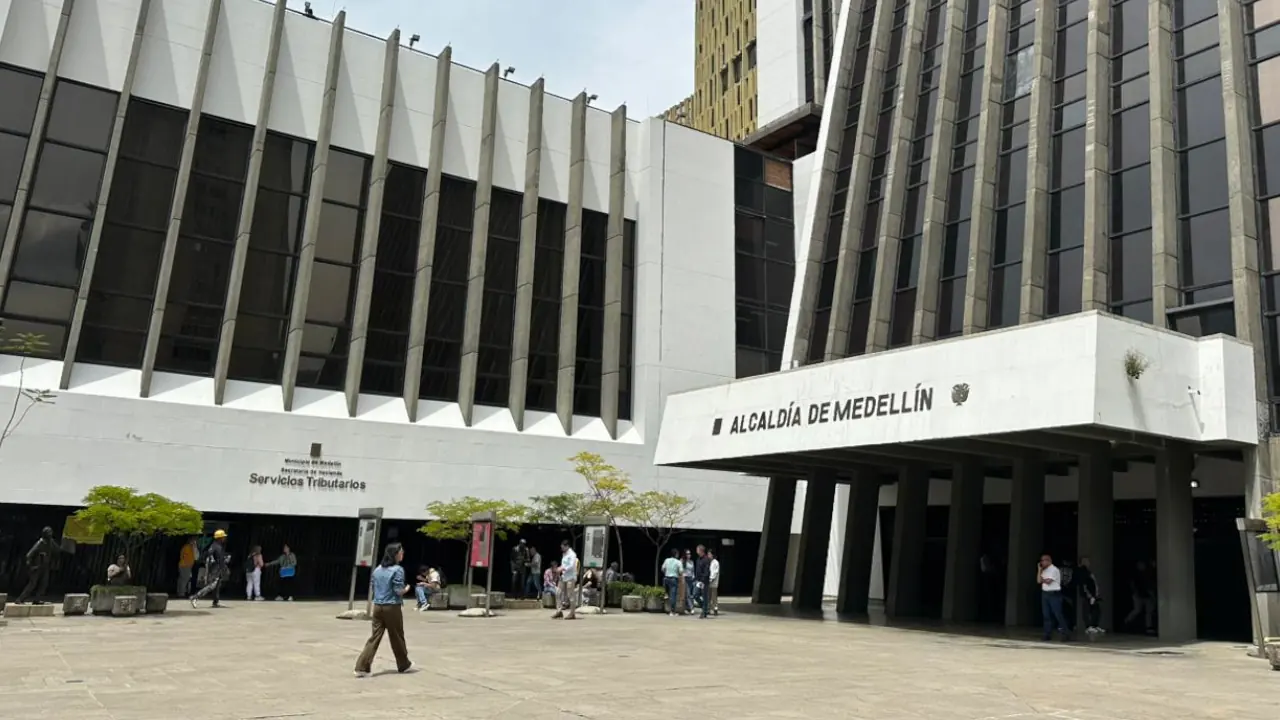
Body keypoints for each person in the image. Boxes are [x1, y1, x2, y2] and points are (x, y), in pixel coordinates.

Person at [354, 543, 416, 677]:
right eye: (401, 552)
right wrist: (407, 589)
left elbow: (373, 587)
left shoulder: (377, 570)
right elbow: (398, 590)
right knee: (397, 636)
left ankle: (362, 667)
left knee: (375, 637)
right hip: (392, 606)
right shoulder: (397, 569)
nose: (402, 554)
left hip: (378, 606)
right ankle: (403, 663)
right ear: (395, 554)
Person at [14, 527, 57, 604]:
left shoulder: (51, 542)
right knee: (32, 584)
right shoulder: (40, 543)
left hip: (45, 566)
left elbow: (57, 550)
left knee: (44, 584)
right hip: (37, 567)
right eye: (49, 533)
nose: (50, 534)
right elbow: (29, 555)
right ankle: (20, 599)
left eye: (51, 532)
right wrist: (30, 566)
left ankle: (37, 599)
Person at [191, 529, 230, 608]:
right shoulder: (216, 547)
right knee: (212, 585)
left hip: (216, 568)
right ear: (219, 538)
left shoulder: (216, 546)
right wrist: (224, 568)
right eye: (223, 537)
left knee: (217, 585)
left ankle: (216, 602)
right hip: (215, 569)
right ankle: (195, 597)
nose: (224, 538)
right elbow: (216, 559)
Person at [1038, 553, 1070, 641]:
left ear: (1048, 561)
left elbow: (1048, 581)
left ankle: (1065, 633)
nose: (1042, 562)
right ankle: (1047, 634)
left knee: (1057, 614)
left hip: (1054, 594)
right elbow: (1038, 580)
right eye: (1041, 561)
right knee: (1046, 615)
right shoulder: (1044, 570)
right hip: (1045, 593)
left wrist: (1042, 579)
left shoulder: (1054, 569)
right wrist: (1039, 570)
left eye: (1043, 560)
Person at [1124, 561, 1156, 634]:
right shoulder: (1136, 575)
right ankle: (1127, 621)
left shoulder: (1147, 574)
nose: (1142, 566)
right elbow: (1133, 585)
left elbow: (1149, 585)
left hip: (1146, 595)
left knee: (1148, 612)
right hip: (1138, 595)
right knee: (1137, 610)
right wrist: (1135, 593)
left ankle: (1149, 627)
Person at [1076, 556, 1104, 636]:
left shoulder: (1088, 571)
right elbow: (1083, 585)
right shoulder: (1082, 571)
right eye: (1086, 561)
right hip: (1088, 595)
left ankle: (1095, 625)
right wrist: (1089, 595)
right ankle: (1088, 627)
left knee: (1097, 610)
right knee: (1087, 610)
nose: (1088, 562)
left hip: (1093, 594)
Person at [552, 539, 578, 620]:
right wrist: (560, 569)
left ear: (567, 546)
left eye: (563, 547)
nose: (562, 549)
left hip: (570, 577)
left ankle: (572, 613)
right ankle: (559, 611)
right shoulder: (564, 554)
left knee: (570, 595)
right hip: (563, 576)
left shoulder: (572, 554)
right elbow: (563, 564)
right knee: (558, 592)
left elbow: (571, 566)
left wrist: (562, 568)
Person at [661, 549, 683, 616]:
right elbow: (681, 571)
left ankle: (666, 594)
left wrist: (666, 573)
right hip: (674, 579)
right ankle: (672, 611)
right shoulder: (678, 562)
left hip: (666, 578)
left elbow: (662, 568)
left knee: (668, 594)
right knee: (673, 596)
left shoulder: (666, 560)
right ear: (676, 554)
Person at [694, 545, 712, 618]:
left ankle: (704, 612)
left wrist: (703, 580)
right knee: (696, 595)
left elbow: (706, 571)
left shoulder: (706, 559)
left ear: (701, 550)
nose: (696, 551)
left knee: (704, 596)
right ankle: (704, 608)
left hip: (704, 581)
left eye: (697, 549)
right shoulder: (698, 559)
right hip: (698, 580)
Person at [682, 549, 696, 614]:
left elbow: (693, 570)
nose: (689, 555)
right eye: (687, 554)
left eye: (689, 553)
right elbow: (680, 570)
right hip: (685, 578)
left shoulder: (691, 562)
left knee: (691, 594)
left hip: (691, 579)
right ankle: (691, 608)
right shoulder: (682, 561)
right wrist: (683, 575)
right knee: (687, 594)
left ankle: (688, 608)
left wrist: (693, 576)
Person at [708, 549, 721, 616]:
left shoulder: (716, 562)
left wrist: (711, 578)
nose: (708, 555)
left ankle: (715, 608)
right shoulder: (710, 562)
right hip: (709, 581)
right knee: (709, 596)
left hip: (714, 582)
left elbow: (715, 572)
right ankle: (709, 609)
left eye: (709, 554)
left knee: (714, 596)